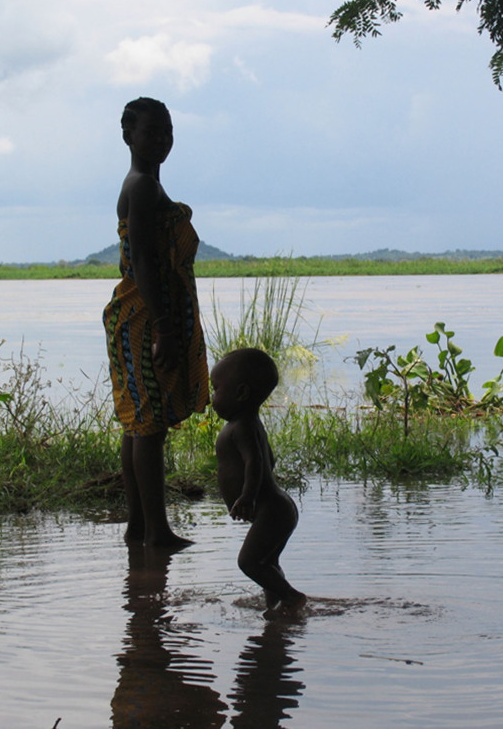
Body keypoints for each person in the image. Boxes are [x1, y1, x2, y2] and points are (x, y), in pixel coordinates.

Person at [103, 97, 210, 549]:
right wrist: (164, 327)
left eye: (167, 131)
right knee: (148, 425)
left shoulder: (146, 184)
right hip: (146, 319)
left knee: (139, 423)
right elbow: (145, 262)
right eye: (151, 131)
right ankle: (157, 532)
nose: (162, 140)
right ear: (128, 135)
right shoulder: (142, 187)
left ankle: (140, 528)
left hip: (142, 315)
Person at [211, 348, 306, 618]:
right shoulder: (250, 424)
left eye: (216, 389)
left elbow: (257, 463)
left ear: (241, 393)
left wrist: (248, 496)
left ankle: (291, 597)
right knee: (267, 562)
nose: (212, 398)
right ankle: (277, 607)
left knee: (249, 562)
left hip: (271, 509)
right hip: (278, 508)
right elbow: (270, 460)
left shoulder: (241, 427)